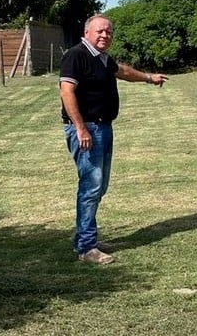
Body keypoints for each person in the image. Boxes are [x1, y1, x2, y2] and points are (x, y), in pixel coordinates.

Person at [59, 14, 168, 264]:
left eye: (108, 32)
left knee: (99, 187)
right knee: (91, 186)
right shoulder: (76, 55)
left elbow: (123, 71)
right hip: (87, 130)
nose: (104, 35)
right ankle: (87, 248)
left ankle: (86, 238)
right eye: (99, 31)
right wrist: (80, 128)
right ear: (87, 32)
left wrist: (149, 78)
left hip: (103, 128)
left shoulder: (103, 59)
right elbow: (66, 91)